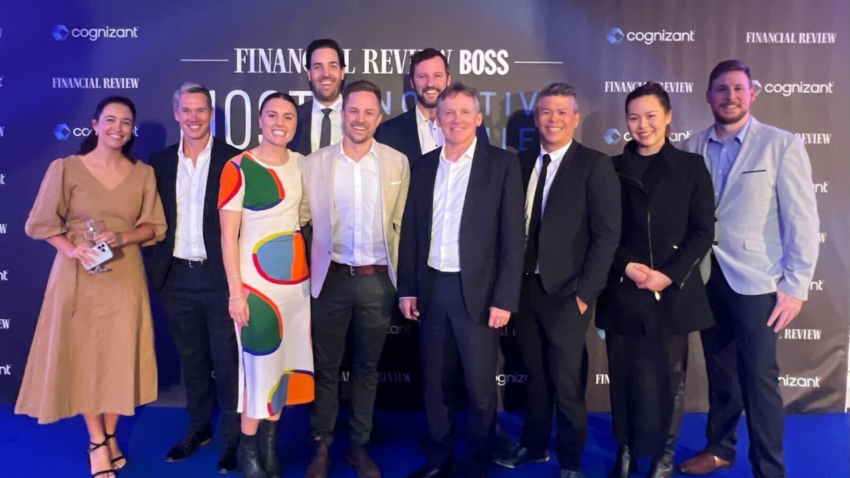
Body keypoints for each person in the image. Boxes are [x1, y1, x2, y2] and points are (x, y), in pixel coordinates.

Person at [678, 60, 819, 478]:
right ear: (708, 96)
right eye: (721, 89)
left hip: (758, 281)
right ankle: (720, 448)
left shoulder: (782, 145)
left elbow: (802, 219)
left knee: (759, 379)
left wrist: (796, 284)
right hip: (706, 277)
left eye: (738, 88)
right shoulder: (691, 146)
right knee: (720, 372)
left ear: (752, 93)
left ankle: (769, 469)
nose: (730, 96)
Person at [16, 96, 166, 478]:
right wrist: (72, 249)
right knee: (85, 358)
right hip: (77, 276)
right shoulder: (66, 168)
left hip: (125, 276)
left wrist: (123, 237)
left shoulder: (143, 174)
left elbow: (155, 227)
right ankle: (97, 442)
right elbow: (40, 223)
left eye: (126, 122)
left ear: (132, 131)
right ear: (95, 125)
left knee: (118, 357)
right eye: (110, 120)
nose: (118, 128)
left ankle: (111, 434)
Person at [398, 83, 525, 478]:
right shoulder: (423, 166)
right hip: (432, 289)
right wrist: (408, 289)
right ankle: (440, 461)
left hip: (480, 294)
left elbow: (513, 238)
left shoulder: (502, 165)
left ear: (478, 118)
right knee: (435, 386)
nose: (456, 119)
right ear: (437, 119)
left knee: (480, 389)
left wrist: (505, 298)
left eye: (464, 112)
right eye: (448, 112)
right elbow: (412, 232)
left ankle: (476, 465)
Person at [495, 83, 621, 478]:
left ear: (575, 118)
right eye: (546, 112)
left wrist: (585, 294)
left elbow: (607, 235)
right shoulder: (520, 163)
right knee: (534, 374)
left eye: (562, 112)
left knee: (566, 383)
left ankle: (570, 461)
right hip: (524, 289)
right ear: (536, 118)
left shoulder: (594, 164)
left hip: (568, 293)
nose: (553, 119)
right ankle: (534, 446)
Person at [596, 82, 715, 478]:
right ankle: (626, 452)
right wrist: (626, 266)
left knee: (670, 380)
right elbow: (600, 230)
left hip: (672, 293)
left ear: (668, 117)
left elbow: (703, 230)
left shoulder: (691, 167)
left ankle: (662, 457)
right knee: (623, 378)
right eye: (634, 117)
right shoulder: (610, 168)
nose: (642, 125)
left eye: (651, 116)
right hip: (623, 291)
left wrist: (669, 275)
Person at [300, 80, 410, 478]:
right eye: (353, 111)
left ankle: (358, 446)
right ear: (342, 114)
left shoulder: (398, 163)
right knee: (325, 367)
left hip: (378, 282)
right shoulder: (314, 163)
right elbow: (300, 220)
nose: (360, 119)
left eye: (368, 112)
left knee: (367, 368)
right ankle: (322, 445)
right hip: (329, 279)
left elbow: (404, 226)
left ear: (379, 118)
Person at [148, 82, 242, 473]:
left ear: (211, 114)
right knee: (193, 360)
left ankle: (234, 437)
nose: (194, 117)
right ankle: (199, 427)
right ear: (176, 113)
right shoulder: (159, 162)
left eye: (201, 110)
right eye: (186, 110)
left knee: (228, 361)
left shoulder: (234, 160)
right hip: (176, 279)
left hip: (219, 278)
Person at [219, 93, 315, 478]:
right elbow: (228, 236)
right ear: (260, 120)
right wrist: (236, 292)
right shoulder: (238, 166)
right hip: (254, 286)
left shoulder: (302, 164)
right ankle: (248, 450)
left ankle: (269, 447)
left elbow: (304, 215)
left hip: (295, 285)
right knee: (258, 365)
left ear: (296, 124)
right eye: (273, 115)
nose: (280, 123)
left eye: (288, 117)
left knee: (283, 364)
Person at [375, 48, 489, 162]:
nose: (430, 83)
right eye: (422, 76)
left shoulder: (469, 125)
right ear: (412, 82)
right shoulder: (389, 132)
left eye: (437, 75)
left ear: (448, 79)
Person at [291, 38, 346, 156]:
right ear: (309, 74)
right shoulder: (293, 118)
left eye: (333, 66)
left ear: (342, 72)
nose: (326, 74)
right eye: (318, 67)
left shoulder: (358, 117)